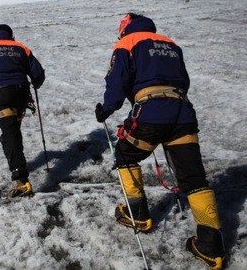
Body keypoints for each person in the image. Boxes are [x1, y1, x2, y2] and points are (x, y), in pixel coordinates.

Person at [95, 13, 225, 269]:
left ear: (126, 28)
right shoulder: (171, 45)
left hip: (152, 113)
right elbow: (183, 81)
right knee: (194, 177)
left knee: (125, 154)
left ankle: (138, 215)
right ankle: (211, 247)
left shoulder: (127, 44)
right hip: (182, 113)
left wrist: (107, 109)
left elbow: (117, 80)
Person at [0, 24, 45, 199]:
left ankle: (21, 180)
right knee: (13, 131)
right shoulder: (21, 47)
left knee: (9, 133)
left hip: (1, 94)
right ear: (10, 35)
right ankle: (18, 165)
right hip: (21, 93)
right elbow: (38, 72)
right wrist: (35, 82)